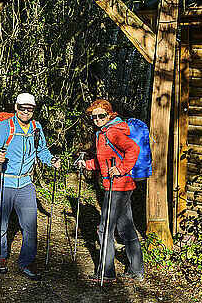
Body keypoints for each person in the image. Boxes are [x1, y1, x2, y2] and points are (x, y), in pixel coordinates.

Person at [0, 92, 60, 281]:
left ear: (34, 109)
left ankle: (27, 263)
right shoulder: (5, 127)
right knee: (1, 223)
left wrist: (50, 160)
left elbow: (41, 149)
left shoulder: (36, 127)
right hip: (4, 181)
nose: (26, 111)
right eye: (22, 107)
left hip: (26, 183)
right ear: (16, 107)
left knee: (30, 225)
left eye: (30, 108)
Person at [77, 99, 144, 283]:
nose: (97, 119)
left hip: (118, 186)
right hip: (122, 186)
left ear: (109, 115)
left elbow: (133, 148)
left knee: (104, 229)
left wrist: (121, 169)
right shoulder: (103, 133)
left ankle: (106, 273)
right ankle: (136, 269)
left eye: (101, 115)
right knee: (126, 227)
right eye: (94, 116)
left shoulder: (113, 132)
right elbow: (103, 162)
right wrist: (87, 164)